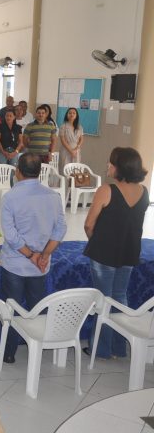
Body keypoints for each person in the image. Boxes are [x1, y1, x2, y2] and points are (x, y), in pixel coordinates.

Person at [0, 153, 66, 364]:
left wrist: (31, 255)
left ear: (17, 171)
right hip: (41, 265)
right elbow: (60, 229)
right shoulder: (53, 196)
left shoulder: (10, 197)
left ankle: (9, 352)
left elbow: (11, 236)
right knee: (36, 307)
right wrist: (43, 255)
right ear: (39, 172)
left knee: (12, 307)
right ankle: (36, 348)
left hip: (15, 263)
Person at [84, 147, 149, 359]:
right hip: (129, 251)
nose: (108, 166)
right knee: (120, 298)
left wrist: (96, 241)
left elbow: (89, 224)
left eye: (111, 163)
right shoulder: (144, 191)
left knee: (104, 300)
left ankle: (101, 350)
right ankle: (119, 348)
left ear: (120, 167)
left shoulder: (107, 190)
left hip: (104, 253)